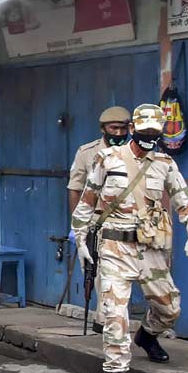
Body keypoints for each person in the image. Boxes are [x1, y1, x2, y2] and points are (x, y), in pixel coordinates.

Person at [70, 104, 188, 373]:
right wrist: (79, 238)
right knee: (116, 320)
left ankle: (147, 336)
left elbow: (186, 202)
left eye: (154, 135)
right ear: (133, 129)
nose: (148, 139)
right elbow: (87, 200)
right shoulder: (108, 159)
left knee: (170, 307)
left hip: (151, 248)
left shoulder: (165, 164)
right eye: (144, 133)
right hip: (115, 248)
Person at [67, 106, 130, 332]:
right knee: (98, 274)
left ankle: (109, 321)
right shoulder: (87, 152)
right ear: (103, 128)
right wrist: (77, 226)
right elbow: (75, 188)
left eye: (124, 128)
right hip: (97, 224)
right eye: (114, 128)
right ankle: (106, 321)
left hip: (129, 224)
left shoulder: (135, 153)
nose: (120, 133)